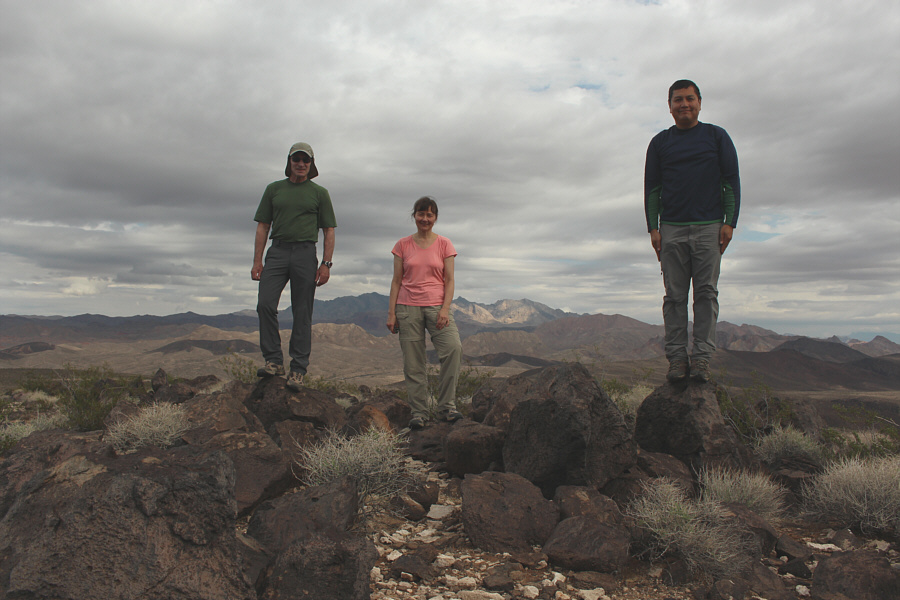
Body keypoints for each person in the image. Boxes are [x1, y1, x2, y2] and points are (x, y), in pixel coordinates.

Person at [644, 80, 741, 384]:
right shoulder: (660, 143)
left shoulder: (716, 137)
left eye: (689, 99)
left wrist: (729, 222)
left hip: (708, 227)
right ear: (669, 106)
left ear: (700, 102)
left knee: (706, 295)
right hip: (671, 228)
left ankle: (700, 359)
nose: (684, 105)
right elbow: (653, 189)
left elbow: (731, 181)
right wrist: (653, 228)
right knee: (674, 297)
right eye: (677, 100)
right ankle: (676, 359)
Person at [252, 142, 337, 391]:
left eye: (305, 160)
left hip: (305, 253)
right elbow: (263, 226)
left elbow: (328, 230)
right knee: (265, 304)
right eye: (296, 159)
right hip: (277, 252)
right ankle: (274, 362)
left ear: (311, 165)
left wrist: (326, 264)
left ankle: (298, 370)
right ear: (289, 161)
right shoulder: (274, 189)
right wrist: (257, 260)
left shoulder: (319, 193)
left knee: (302, 312)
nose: (301, 164)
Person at [386, 197, 463, 429]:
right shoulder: (402, 245)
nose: (425, 219)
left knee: (453, 349)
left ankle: (447, 407)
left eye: (430, 215)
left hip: (437, 306)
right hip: (407, 308)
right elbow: (396, 281)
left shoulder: (444, 245)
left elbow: (449, 280)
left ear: (435, 218)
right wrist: (392, 313)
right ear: (414, 216)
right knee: (413, 362)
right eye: (421, 214)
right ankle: (418, 412)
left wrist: (445, 309)